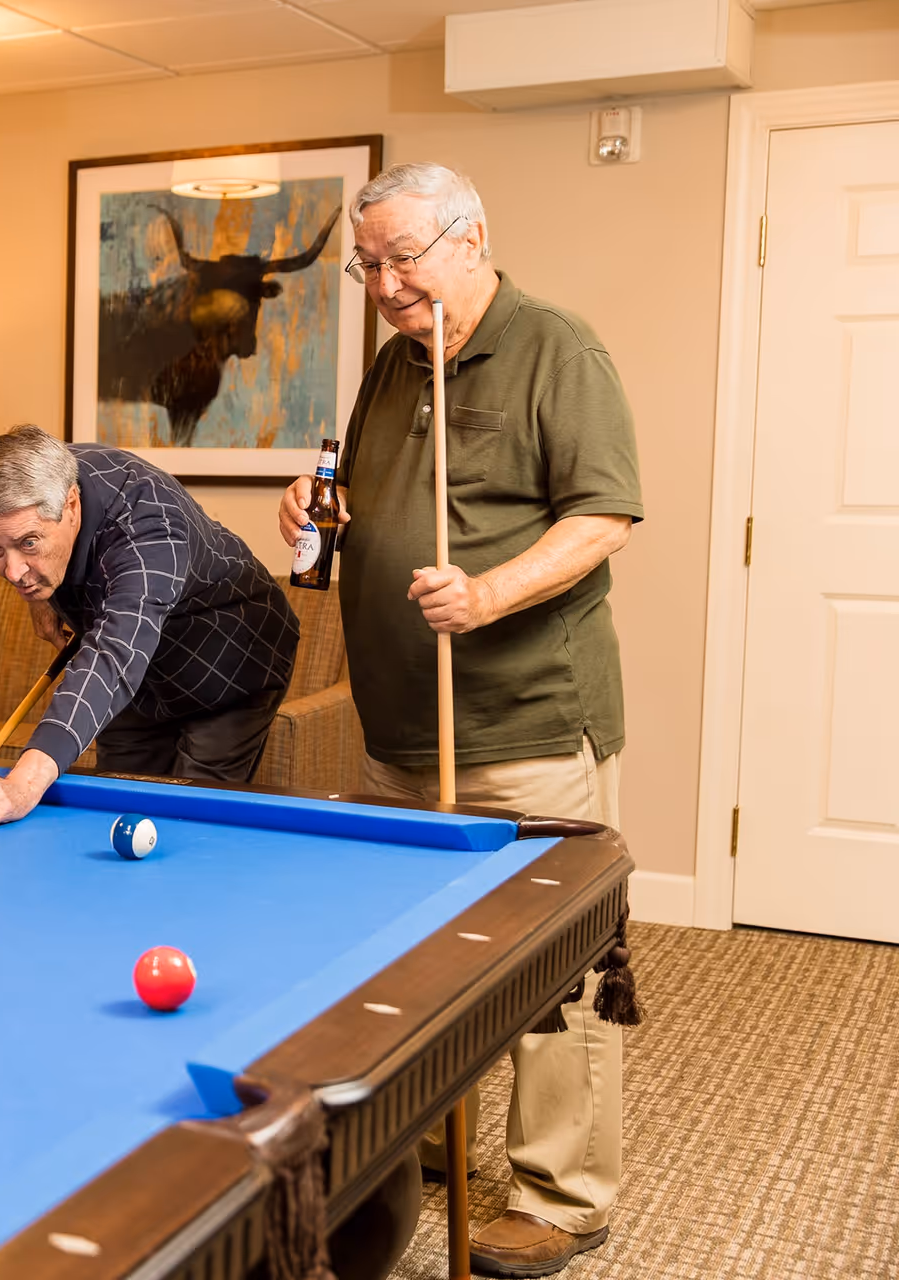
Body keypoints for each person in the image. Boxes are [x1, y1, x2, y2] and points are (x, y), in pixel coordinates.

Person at [279, 162, 642, 1277]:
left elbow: (605, 514)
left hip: (526, 722)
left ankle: (561, 1193)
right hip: (405, 730)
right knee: (431, 961)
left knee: (552, 975)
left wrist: (486, 594)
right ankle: (441, 1128)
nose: (384, 283)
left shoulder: (553, 348)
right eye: (368, 263)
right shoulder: (396, 362)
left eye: (403, 258)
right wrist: (316, 506)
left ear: (472, 235)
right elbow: (369, 500)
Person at [0, 426, 298, 833]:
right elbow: (23, 544)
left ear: (71, 504)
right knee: (112, 817)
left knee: (187, 825)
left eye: (29, 543)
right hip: (138, 688)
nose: (13, 571)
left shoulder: (149, 526)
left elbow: (112, 654)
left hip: (228, 666)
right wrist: (40, 598)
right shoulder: (42, 474)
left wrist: (22, 785)